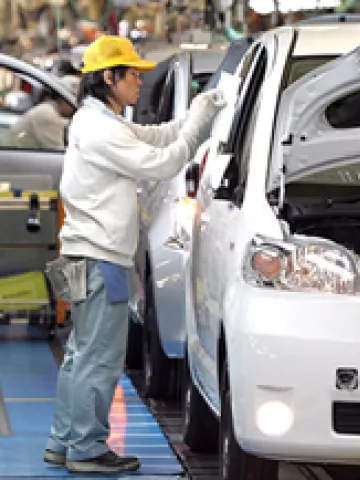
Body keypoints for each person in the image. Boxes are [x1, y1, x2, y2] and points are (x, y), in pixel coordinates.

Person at [43, 35, 226, 474]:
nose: (140, 82)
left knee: (80, 355)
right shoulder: (102, 130)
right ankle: (86, 450)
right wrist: (198, 132)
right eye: (133, 74)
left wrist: (197, 115)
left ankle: (63, 441)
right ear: (109, 77)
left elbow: (158, 134)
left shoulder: (98, 121)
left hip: (86, 253)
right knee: (99, 360)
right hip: (100, 258)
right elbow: (163, 163)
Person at [9, 75, 80, 150]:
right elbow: (58, 153)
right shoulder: (47, 114)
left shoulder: (47, 110)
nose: (76, 109)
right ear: (62, 99)